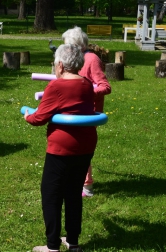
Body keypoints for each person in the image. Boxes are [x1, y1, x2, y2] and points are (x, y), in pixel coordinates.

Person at [24, 44, 97, 252]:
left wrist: (27, 115)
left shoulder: (56, 86)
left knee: (51, 194)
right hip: (85, 145)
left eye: (55, 63)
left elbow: (39, 118)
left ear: (61, 65)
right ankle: (73, 243)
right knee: (73, 193)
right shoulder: (87, 84)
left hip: (62, 149)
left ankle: (52, 246)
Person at [62, 26, 111, 197]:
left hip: (88, 112)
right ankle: (75, 180)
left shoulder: (91, 59)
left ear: (76, 45)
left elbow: (105, 87)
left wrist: (85, 93)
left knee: (81, 148)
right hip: (73, 109)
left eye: (67, 45)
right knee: (71, 145)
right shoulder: (74, 60)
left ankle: (87, 186)